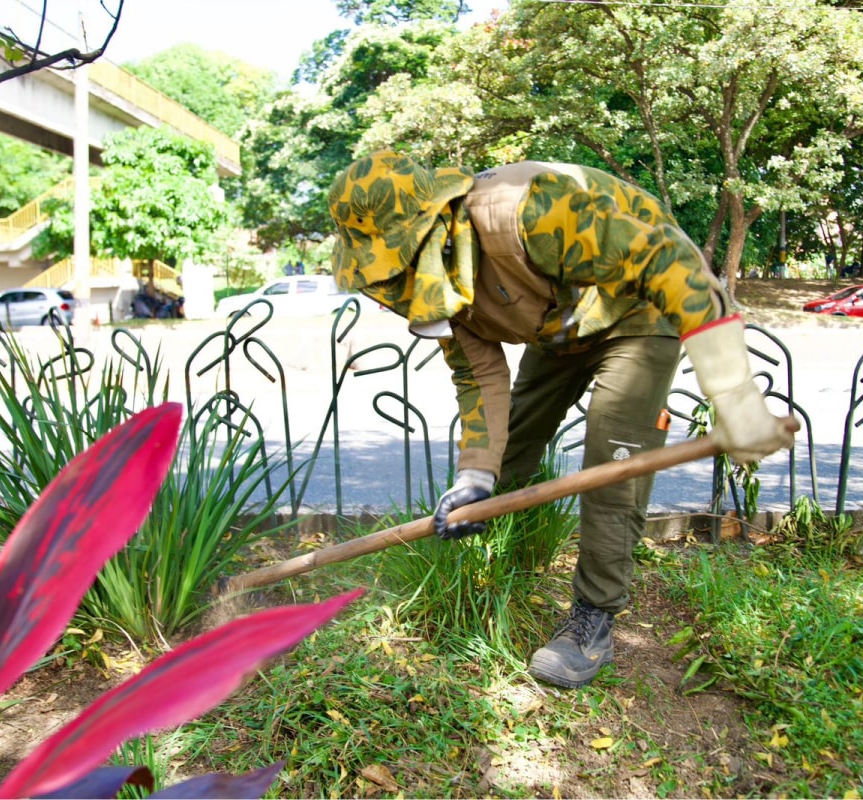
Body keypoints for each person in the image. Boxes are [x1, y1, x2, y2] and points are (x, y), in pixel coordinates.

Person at [329, 151, 795, 689]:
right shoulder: (441, 281)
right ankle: (495, 564)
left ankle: (593, 618)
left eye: (393, 268)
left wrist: (734, 397)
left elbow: (670, 263)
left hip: (636, 312)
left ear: (429, 231)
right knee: (509, 450)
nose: (388, 288)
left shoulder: (529, 213)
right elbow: (478, 378)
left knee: (613, 453)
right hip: (561, 326)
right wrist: (475, 479)